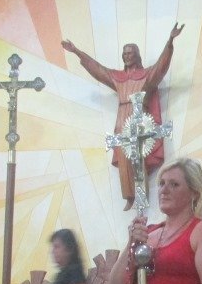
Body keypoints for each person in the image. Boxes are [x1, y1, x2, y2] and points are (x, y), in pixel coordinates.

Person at [61, 24, 184, 211]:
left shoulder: (146, 75)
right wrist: (77, 52)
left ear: (137, 56)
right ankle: (129, 195)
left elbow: (161, 66)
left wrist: (170, 41)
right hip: (122, 117)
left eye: (130, 53)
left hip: (139, 116)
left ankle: (141, 195)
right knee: (124, 156)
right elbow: (98, 70)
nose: (127, 56)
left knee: (138, 155)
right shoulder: (117, 77)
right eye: (125, 53)